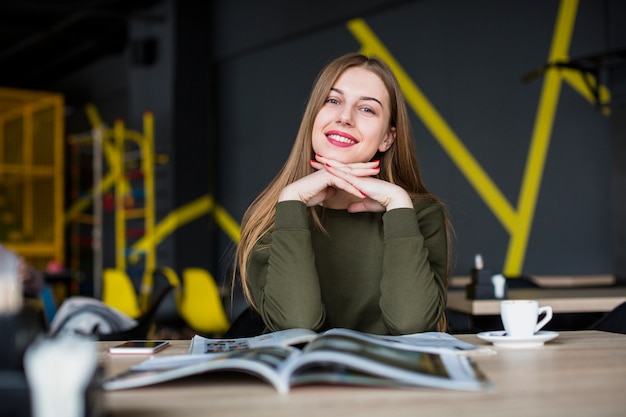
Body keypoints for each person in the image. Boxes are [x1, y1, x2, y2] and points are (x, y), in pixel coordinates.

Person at [234, 52, 451, 336]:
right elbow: (296, 326)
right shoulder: (273, 214)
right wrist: (291, 202)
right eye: (333, 101)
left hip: (392, 381)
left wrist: (398, 204)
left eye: (367, 109)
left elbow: (411, 324)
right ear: (313, 117)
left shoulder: (418, 215)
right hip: (299, 380)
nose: (345, 117)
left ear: (387, 138)